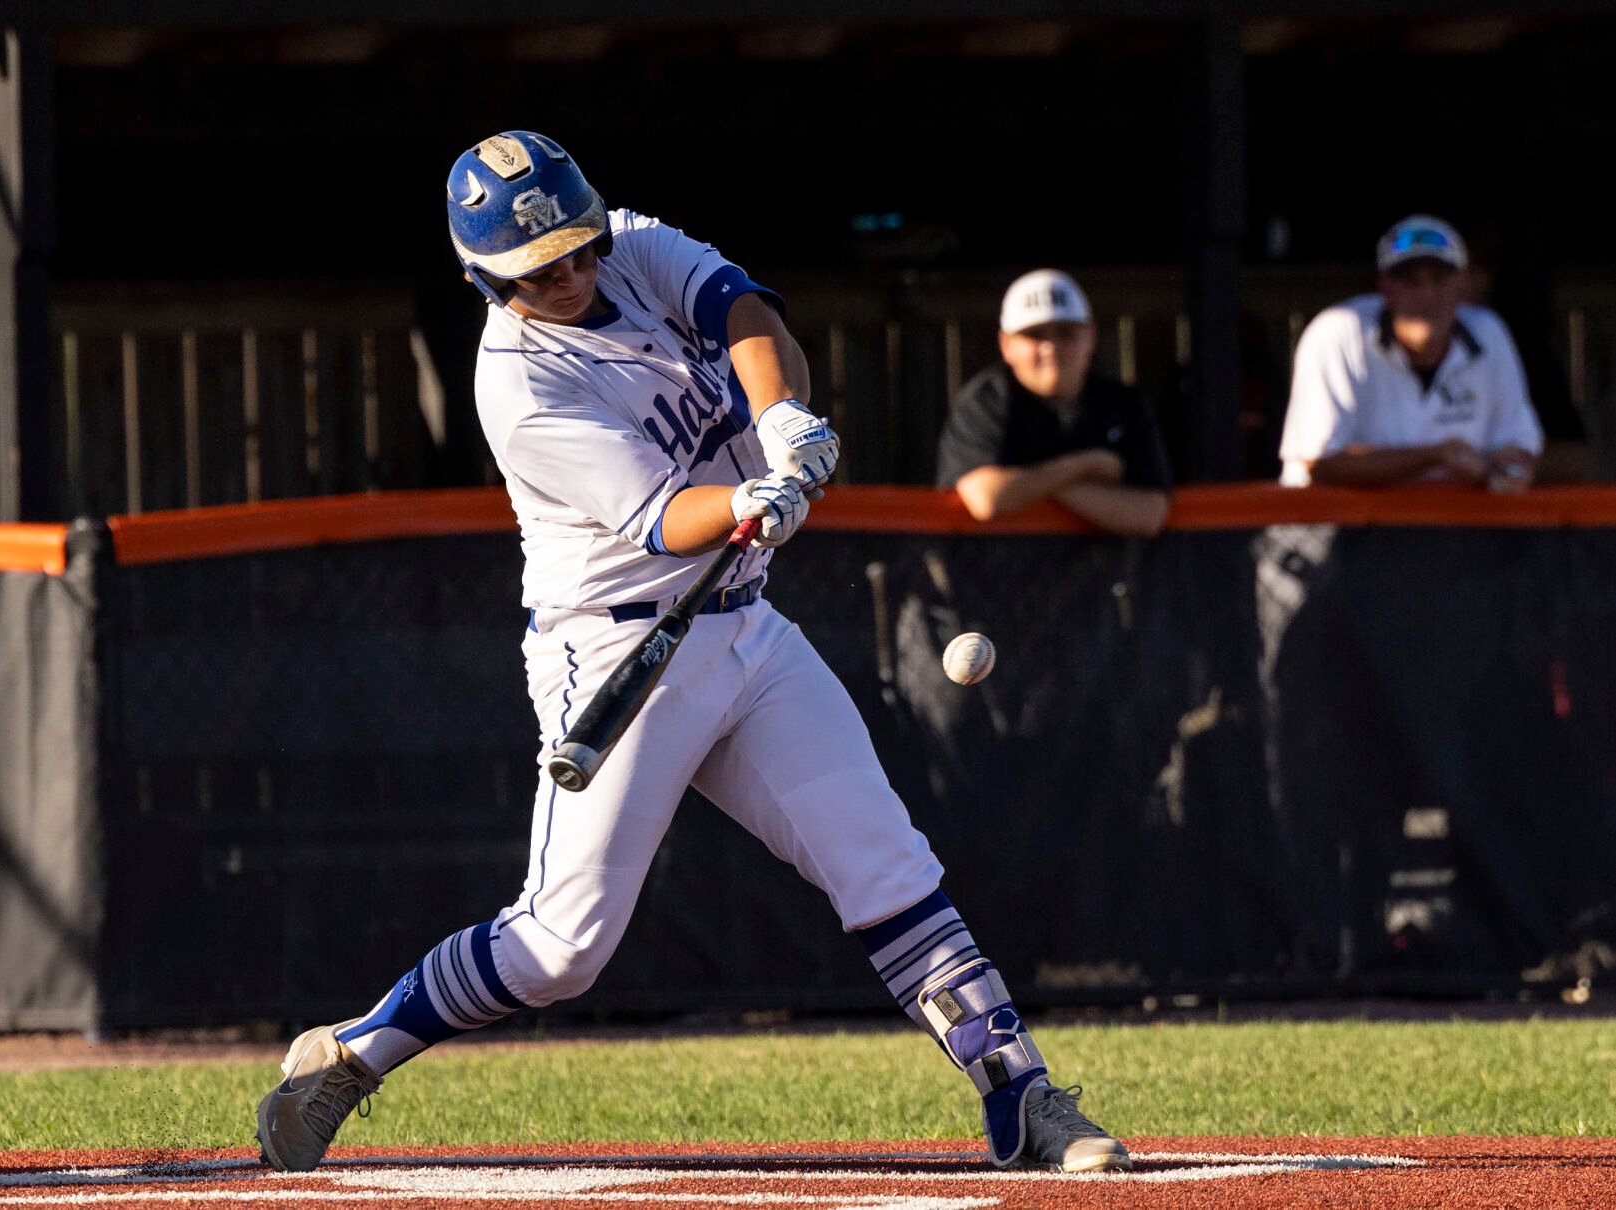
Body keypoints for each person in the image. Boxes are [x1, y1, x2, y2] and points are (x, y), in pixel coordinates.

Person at [255, 131, 1131, 1176]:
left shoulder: (629, 242)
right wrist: (754, 495)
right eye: (543, 270)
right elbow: (668, 516)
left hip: (746, 627)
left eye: (578, 248)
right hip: (620, 649)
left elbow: (745, 312)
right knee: (561, 947)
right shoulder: (517, 383)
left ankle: (1022, 1097)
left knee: (884, 858)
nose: (575, 274)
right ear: (489, 278)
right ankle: (355, 1053)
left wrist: (783, 419)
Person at [1278, 214, 1545, 492]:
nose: (1426, 295)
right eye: (1410, 281)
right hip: (1331, 530)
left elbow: (1519, 447)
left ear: (1463, 285)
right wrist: (1435, 456)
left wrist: (1509, 470)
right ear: (1385, 288)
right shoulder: (1338, 332)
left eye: (1440, 279)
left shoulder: (1489, 333)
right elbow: (1319, 461)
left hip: (1452, 527)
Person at [936, 269, 1172, 534]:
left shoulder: (1123, 405)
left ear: (1090, 336)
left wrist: (1034, 486)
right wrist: (1086, 465)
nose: (1050, 348)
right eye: (1035, 335)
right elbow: (987, 499)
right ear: (1006, 344)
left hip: (1112, 574)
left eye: (1065, 333)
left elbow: (1149, 515)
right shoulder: (985, 402)